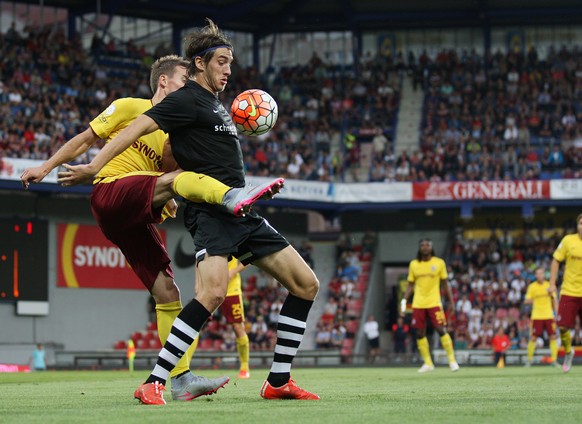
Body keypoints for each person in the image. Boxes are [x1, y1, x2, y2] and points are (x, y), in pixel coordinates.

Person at [59, 19, 320, 404]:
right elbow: (134, 129)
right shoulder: (183, 100)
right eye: (221, 62)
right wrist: (95, 167)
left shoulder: (215, 104)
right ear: (199, 63)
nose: (228, 70)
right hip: (211, 211)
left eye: (230, 63)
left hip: (241, 211)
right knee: (211, 294)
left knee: (306, 284)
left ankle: (278, 380)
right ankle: (155, 381)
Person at [20, 55, 283, 401]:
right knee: (178, 180)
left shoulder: (174, 128)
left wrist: (164, 195)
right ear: (163, 82)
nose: (188, 87)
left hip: (130, 215)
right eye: (183, 81)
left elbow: (163, 176)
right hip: (110, 191)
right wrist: (46, 165)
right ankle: (231, 198)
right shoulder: (131, 108)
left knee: (168, 292)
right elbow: (85, 139)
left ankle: (181, 379)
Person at [401, 238, 459, 373]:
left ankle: (452, 361)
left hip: (434, 302)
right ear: (419, 248)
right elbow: (410, 285)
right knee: (420, 332)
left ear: (431, 248)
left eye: (427, 245)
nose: (425, 247)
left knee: (440, 329)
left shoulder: (439, 263)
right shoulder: (414, 264)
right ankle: (428, 363)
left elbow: (445, 284)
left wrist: (451, 302)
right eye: (422, 245)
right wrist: (403, 302)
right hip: (418, 303)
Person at [549, 213, 582, 373]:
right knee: (562, 327)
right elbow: (556, 260)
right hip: (569, 291)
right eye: (581, 223)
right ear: (577, 226)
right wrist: (552, 283)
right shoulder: (568, 241)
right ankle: (569, 352)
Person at [524, 266, 558, 367]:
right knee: (533, 338)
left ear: (544, 274)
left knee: (553, 336)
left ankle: (554, 360)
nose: (540, 275)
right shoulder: (532, 287)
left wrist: (556, 313)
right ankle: (529, 360)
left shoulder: (549, 286)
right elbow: (526, 300)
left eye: (541, 273)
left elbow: (554, 300)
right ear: (535, 275)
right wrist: (535, 298)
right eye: (538, 273)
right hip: (537, 316)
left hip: (548, 315)